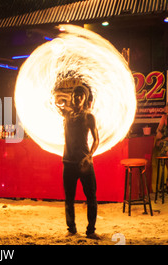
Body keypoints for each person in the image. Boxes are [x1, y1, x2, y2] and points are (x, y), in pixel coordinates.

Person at [57, 85, 100, 239]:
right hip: (68, 162)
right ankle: (71, 228)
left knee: (91, 197)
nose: (77, 97)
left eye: (80, 95)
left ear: (85, 99)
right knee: (69, 198)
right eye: (75, 94)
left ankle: (91, 230)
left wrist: (89, 156)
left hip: (84, 163)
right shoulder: (66, 113)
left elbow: (96, 140)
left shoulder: (89, 117)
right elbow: (51, 101)